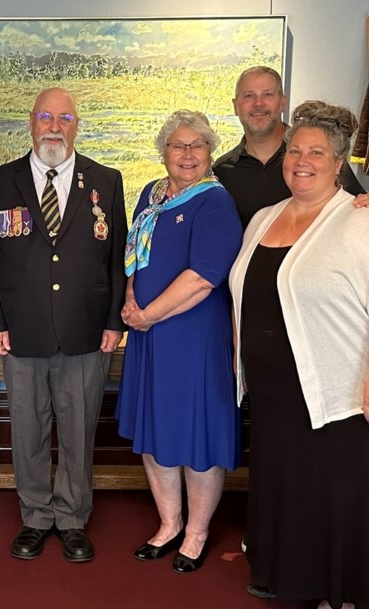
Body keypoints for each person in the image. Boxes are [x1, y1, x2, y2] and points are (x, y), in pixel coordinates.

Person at [229, 101, 369, 609]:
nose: (302, 160)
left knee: (335, 492)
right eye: (295, 150)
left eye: (317, 152)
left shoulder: (360, 221)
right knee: (285, 485)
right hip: (275, 391)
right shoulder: (267, 217)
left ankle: (340, 594)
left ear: (339, 164)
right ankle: (279, 571)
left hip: (339, 390)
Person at [0, 87, 127, 563]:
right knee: (28, 429)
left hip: (86, 330)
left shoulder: (106, 179)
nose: (54, 126)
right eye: (45, 116)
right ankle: (36, 516)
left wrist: (113, 320)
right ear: (31, 123)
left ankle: (73, 517)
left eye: (64, 118)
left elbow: (117, 258)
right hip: (20, 330)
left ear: (77, 125)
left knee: (79, 429)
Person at [116, 110, 242, 574]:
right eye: (177, 145)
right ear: (163, 151)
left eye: (197, 146)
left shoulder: (215, 202)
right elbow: (135, 256)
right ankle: (169, 523)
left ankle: (197, 531)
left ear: (210, 153)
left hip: (192, 335)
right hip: (150, 334)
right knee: (156, 428)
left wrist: (146, 314)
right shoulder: (150, 196)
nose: (187, 154)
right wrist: (131, 301)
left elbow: (203, 278)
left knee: (197, 430)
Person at [214, 66, 369, 229]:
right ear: (235, 106)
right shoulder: (221, 172)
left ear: (282, 102)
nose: (258, 103)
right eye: (249, 96)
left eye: (267, 94)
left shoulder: (319, 159)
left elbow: (361, 206)